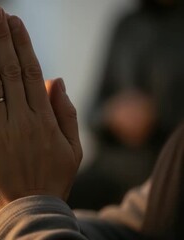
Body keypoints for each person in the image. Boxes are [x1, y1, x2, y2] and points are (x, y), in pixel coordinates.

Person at [0, 4, 184, 239]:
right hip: (111, 168)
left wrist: (19, 213)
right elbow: (140, 226)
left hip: (149, 165)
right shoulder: (128, 25)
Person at [69, 0, 184, 210]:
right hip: (110, 169)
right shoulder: (126, 25)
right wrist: (111, 114)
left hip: (166, 174)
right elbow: (92, 108)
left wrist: (157, 117)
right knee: (49, 203)